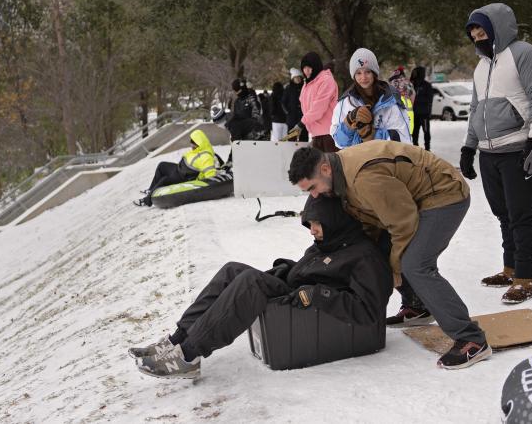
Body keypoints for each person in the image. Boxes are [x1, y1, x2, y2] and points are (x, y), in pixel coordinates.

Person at [130, 195, 392, 379]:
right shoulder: (329, 243)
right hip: (295, 293)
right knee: (233, 269)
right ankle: (177, 340)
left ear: (334, 220)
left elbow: (369, 309)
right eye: (309, 224)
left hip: (308, 304)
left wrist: (319, 294)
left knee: (250, 282)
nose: (311, 230)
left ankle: (188, 355)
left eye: (315, 223)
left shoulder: (364, 257)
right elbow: (311, 271)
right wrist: (287, 270)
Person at [288, 142, 492, 369]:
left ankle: (471, 339)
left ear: (325, 169)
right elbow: (376, 217)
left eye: (312, 188)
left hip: (443, 195)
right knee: (376, 253)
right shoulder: (339, 175)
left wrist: (395, 270)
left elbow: (403, 223)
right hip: (414, 200)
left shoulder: (364, 179)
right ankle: (417, 305)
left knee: (415, 265)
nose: (314, 195)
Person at [460, 3, 532, 304]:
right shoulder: (481, 66)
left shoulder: (524, 54)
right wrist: (469, 146)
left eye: (481, 29)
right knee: (503, 215)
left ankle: (525, 278)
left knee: (522, 215)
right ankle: (510, 268)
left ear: (497, 27)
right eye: (473, 32)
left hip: (517, 148)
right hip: (489, 153)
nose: (477, 36)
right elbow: (476, 109)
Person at [330, 48, 412, 149]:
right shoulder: (345, 103)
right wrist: (348, 124)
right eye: (358, 73)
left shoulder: (391, 102)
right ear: (353, 76)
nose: (363, 77)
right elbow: (338, 142)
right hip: (355, 162)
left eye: (367, 72)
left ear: (374, 73)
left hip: (384, 163)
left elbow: (404, 141)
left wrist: (372, 136)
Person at [134, 130, 217, 207]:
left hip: (184, 177)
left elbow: (210, 174)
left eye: (192, 142)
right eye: (191, 141)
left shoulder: (206, 157)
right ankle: (151, 190)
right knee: (162, 165)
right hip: (179, 169)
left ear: (199, 143)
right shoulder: (198, 150)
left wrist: (200, 182)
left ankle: (147, 201)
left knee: (164, 180)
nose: (191, 144)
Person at [296, 51, 339, 152]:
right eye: (304, 68)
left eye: (309, 67)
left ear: (316, 66)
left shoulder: (326, 81)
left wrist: (301, 123)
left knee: (330, 165)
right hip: (316, 134)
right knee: (318, 166)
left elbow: (318, 108)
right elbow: (304, 105)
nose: (306, 71)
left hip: (329, 134)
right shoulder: (307, 83)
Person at [410, 66, 434, 151]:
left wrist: (429, 112)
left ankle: (427, 149)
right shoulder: (412, 84)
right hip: (414, 114)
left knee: (426, 132)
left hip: (424, 114)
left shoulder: (427, 85)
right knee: (414, 132)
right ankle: (415, 147)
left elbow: (430, 99)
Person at [282, 68, 308, 141]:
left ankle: (304, 151)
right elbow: (283, 102)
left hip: (303, 118)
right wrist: (287, 112)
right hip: (292, 118)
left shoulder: (305, 87)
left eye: (299, 77)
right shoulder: (288, 88)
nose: (297, 79)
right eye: (296, 78)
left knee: (304, 138)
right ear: (293, 79)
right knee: (291, 138)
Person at [388, 66, 415, 135]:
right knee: (408, 132)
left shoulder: (391, 83)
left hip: (394, 108)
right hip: (407, 108)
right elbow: (413, 95)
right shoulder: (408, 83)